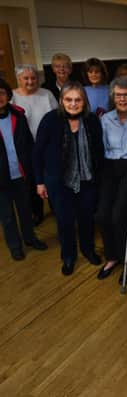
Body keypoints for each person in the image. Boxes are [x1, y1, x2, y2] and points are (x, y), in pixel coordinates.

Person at [33, 81, 103, 275]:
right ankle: (69, 257)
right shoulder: (49, 120)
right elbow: (37, 153)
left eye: (78, 100)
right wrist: (39, 182)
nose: (73, 104)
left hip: (87, 181)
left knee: (87, 219)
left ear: (84, 101)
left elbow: (99, 151)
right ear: (61, 101)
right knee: (64, 222)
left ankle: (88, 250)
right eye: (68, 99)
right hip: (59, 183)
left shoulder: (92, 120)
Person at [95, 77, 127, 283]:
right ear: (113, 97)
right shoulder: (106, 119)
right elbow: (102, 148)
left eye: (126, 95)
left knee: (119, 215)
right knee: (102, 215)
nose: (122, 99)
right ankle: (112, 256)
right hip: (109, 167)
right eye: (118, 95)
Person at [0, 78, 47, 261]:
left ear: (8, 95)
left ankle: (30, 238)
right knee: (7, 216)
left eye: (2, 93)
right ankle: (15, 246)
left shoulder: (18, 115)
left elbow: (29, 143)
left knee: (26, 210)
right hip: (1, 178)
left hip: (21, 173)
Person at [12, 64, 58, 225]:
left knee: (51, 176)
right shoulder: (12, 97)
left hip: (48, 144)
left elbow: (58, 117)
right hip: (25, 147)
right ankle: (37, 212)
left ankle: (55, 207)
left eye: (33, 78)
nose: (30, 81)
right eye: (26, 78)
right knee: (32, 180)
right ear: (18, 79)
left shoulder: (47, 94)